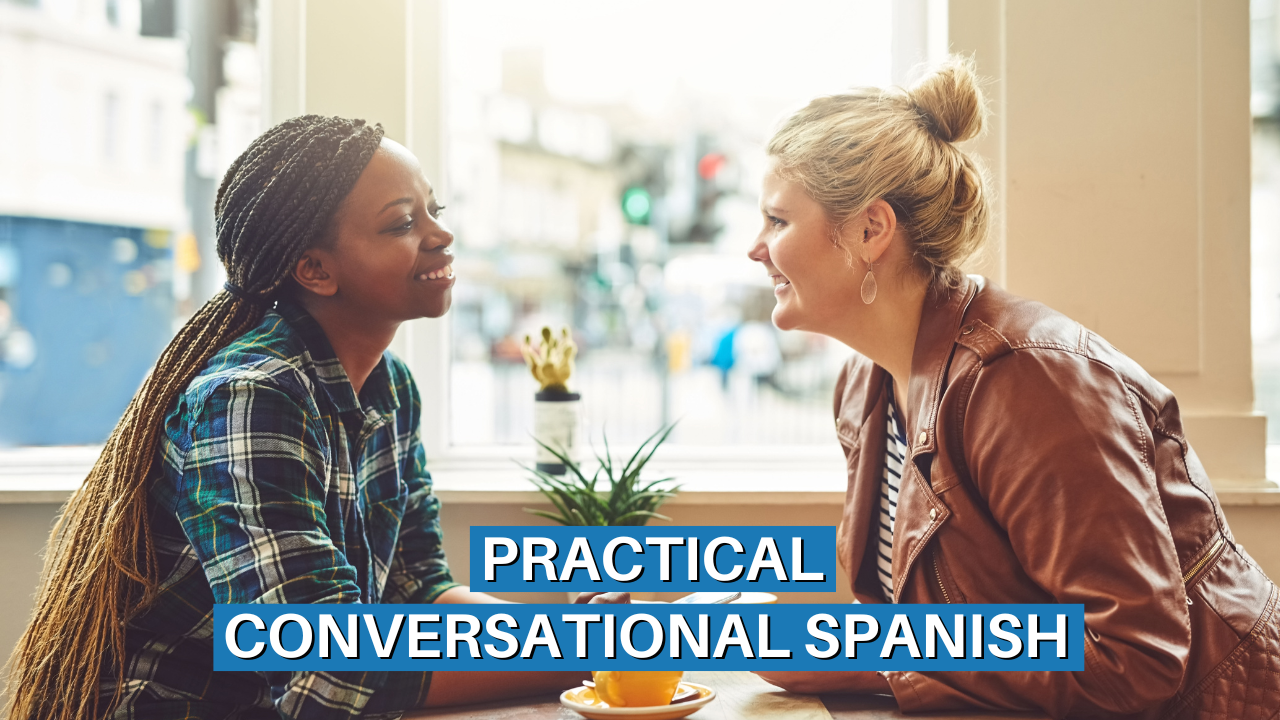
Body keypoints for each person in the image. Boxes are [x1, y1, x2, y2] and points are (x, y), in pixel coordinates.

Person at [3, 115, 623, 720]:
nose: (439, 235)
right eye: (403, 223)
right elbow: (324, 673)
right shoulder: (251, 398)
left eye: (434, 210)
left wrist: (556, 634)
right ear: (316, 270)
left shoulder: (390, 390)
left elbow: (418, 589)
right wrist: (586, 655)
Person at [747, 58, 1280, 719]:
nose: (755, 248)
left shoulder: (1029, 384)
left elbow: (1131, 660)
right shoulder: (866, 382)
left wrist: (868, 658)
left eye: (776, 221)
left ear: (868, 230)